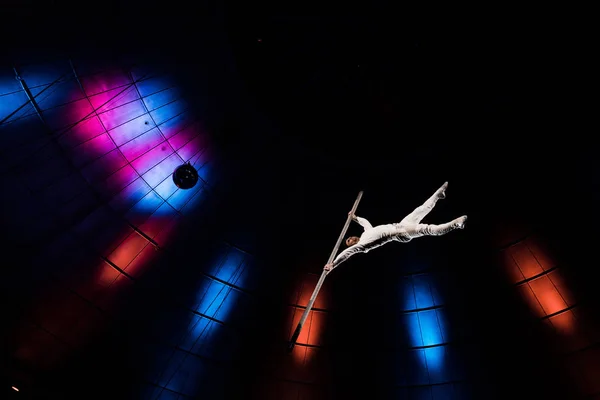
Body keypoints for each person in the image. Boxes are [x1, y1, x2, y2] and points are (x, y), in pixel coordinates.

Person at [324, 182, 466, 273]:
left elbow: (365, 223)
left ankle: (439, 194)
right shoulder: (362, 246)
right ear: (351, 244)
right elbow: (347, 253)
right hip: (400, 233)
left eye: (349, 237)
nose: (350, 238)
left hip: (400, 225)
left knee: (421, 209)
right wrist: (333, 264)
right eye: (348, 241)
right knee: (428, 229)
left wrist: (355, 217)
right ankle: (456, 224)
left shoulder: (367, 233)